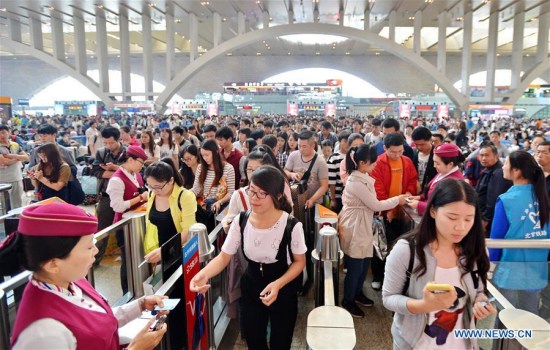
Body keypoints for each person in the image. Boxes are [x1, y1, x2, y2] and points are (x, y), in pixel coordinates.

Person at [5, 202, 167, 349]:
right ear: (53, 264)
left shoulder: (70, 280)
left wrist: (139, 305)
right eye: (89, 247)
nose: (96, 252)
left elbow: (98, 322)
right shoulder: (42, 334)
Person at [190, 165, 306, 350]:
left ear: (277, 195)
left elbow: (300, 262)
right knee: (254, 340)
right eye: (252, 191)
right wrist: (202, 274)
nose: (254, 198)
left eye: (262, 194)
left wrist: (278, 284)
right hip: (251, 286)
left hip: (283, 288)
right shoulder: (241, 220)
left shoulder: (291, 225)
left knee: (281, 342)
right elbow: (224, 257)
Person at [382, 179, 496, 350]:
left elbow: (479, 290)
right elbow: (389, 298)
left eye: (469, 219)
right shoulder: (407, 250)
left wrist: (480, 302)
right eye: (452, 217)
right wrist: (424, 306)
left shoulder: (476, 251)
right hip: (415, 344)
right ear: (433, 211)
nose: (460, 227)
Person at [338, 144, 407, 318]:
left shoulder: (363, 176)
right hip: (355, 225)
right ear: (362, 163)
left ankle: (357, 293)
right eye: (373, 162)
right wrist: (397, 200)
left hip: (363, 223)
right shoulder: (355, 181)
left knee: (364, 263)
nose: (375, 165)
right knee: (355, 266)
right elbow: (375, 204)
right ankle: (348, 301)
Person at [489, 151, 550, 314]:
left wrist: (489, 267)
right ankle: (528, 339)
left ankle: (507, 341)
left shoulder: (506, 200)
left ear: (517, 171)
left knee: (505, 314)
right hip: (537, 267)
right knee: (530, 312)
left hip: (510, 268)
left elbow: (496, 240)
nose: (503, 167)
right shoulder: (543, 197)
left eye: (506, 163)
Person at [370, 132, 419, 290]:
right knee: (381, 245)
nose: (397, 154)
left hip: (404, 212)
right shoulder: (378, 164)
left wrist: (410, 192)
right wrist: (389, 209)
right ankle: (378, 276)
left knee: (399, 246)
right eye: (393, 151)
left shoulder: (407, 162)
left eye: (400, 151)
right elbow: (378, 190)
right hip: (384, 212)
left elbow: (412, 180)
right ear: (385, 148)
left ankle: (395, 280)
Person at [106, 145, 149, 293]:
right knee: (128, 261)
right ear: (130, 160)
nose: (142, 166)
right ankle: (128, 291)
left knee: (139, 258)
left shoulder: (135, 174)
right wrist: (139, 198)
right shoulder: (116, 180)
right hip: (125, 226)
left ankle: (140, 288)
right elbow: (117, 206)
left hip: (139, 221)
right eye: (141, 163)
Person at [143, 158, 197, 264]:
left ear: (171, 180)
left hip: (180, 251)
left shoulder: (185, 196)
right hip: (157, 251)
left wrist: (164, 250)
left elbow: (189, 230)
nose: (154, 191)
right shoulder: (152, 194)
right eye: (149, 186)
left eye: (158, 187)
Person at [407, 143, 466, 215]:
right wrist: (419, 198)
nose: (434, 166)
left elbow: (443, 208)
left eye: (437, 163)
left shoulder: (455, 183)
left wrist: (419, 205)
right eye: (434, 162)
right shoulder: (443, 172)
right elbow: (430, 191)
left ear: (450, 164)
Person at [190, 139, 235, 214]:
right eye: (202, 155)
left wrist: (220, 202)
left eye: (207, 155)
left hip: (222, 206)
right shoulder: (201, 168)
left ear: (216, 152)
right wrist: (185, 194)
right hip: (206, 205)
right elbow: (196, 188)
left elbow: (231, 193)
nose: (205, 158)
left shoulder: (228, 168)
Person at [0, 124, 29, 209]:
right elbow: (5, 162)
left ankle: (16, 221)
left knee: (18, 203)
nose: (1, 135)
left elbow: (26, 157)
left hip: (16, 178)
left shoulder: (15, 144)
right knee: (4, 205)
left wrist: (12, 156)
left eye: (3, 132)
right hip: (2, 180)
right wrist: (18, 158)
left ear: (9, 132)